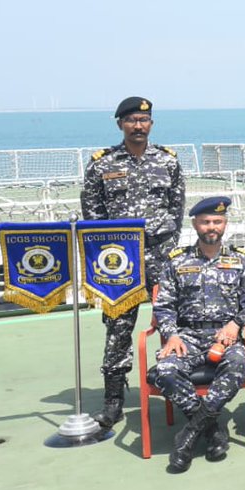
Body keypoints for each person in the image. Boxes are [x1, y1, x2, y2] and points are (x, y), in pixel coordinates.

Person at [81, 96, 185, 429]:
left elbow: (177, 209)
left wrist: (167, 246)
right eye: (131, 120)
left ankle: (180, 381)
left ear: (151, 123)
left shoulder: (167, 161)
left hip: (160, 255)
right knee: (118, 327)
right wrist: (108, 255)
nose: (138, 126)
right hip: (119, 259)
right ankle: (113, 399)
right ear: (120, 124)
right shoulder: (102, 164)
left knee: (175, 319)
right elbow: (92, 215)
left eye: (143, 120)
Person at [151, 197, 245, 472]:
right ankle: (212, 428)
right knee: (164, 371)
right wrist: (171, 335)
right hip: (186, 335)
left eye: (217, 221)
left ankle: (189, 435)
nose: (211, 226)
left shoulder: (241, 260)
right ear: (195, 224)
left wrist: (236, 324)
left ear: (225, 224)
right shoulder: (177, 261)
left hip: (225, 336)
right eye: (205, 222)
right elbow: (163, 306)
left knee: (238, 366)